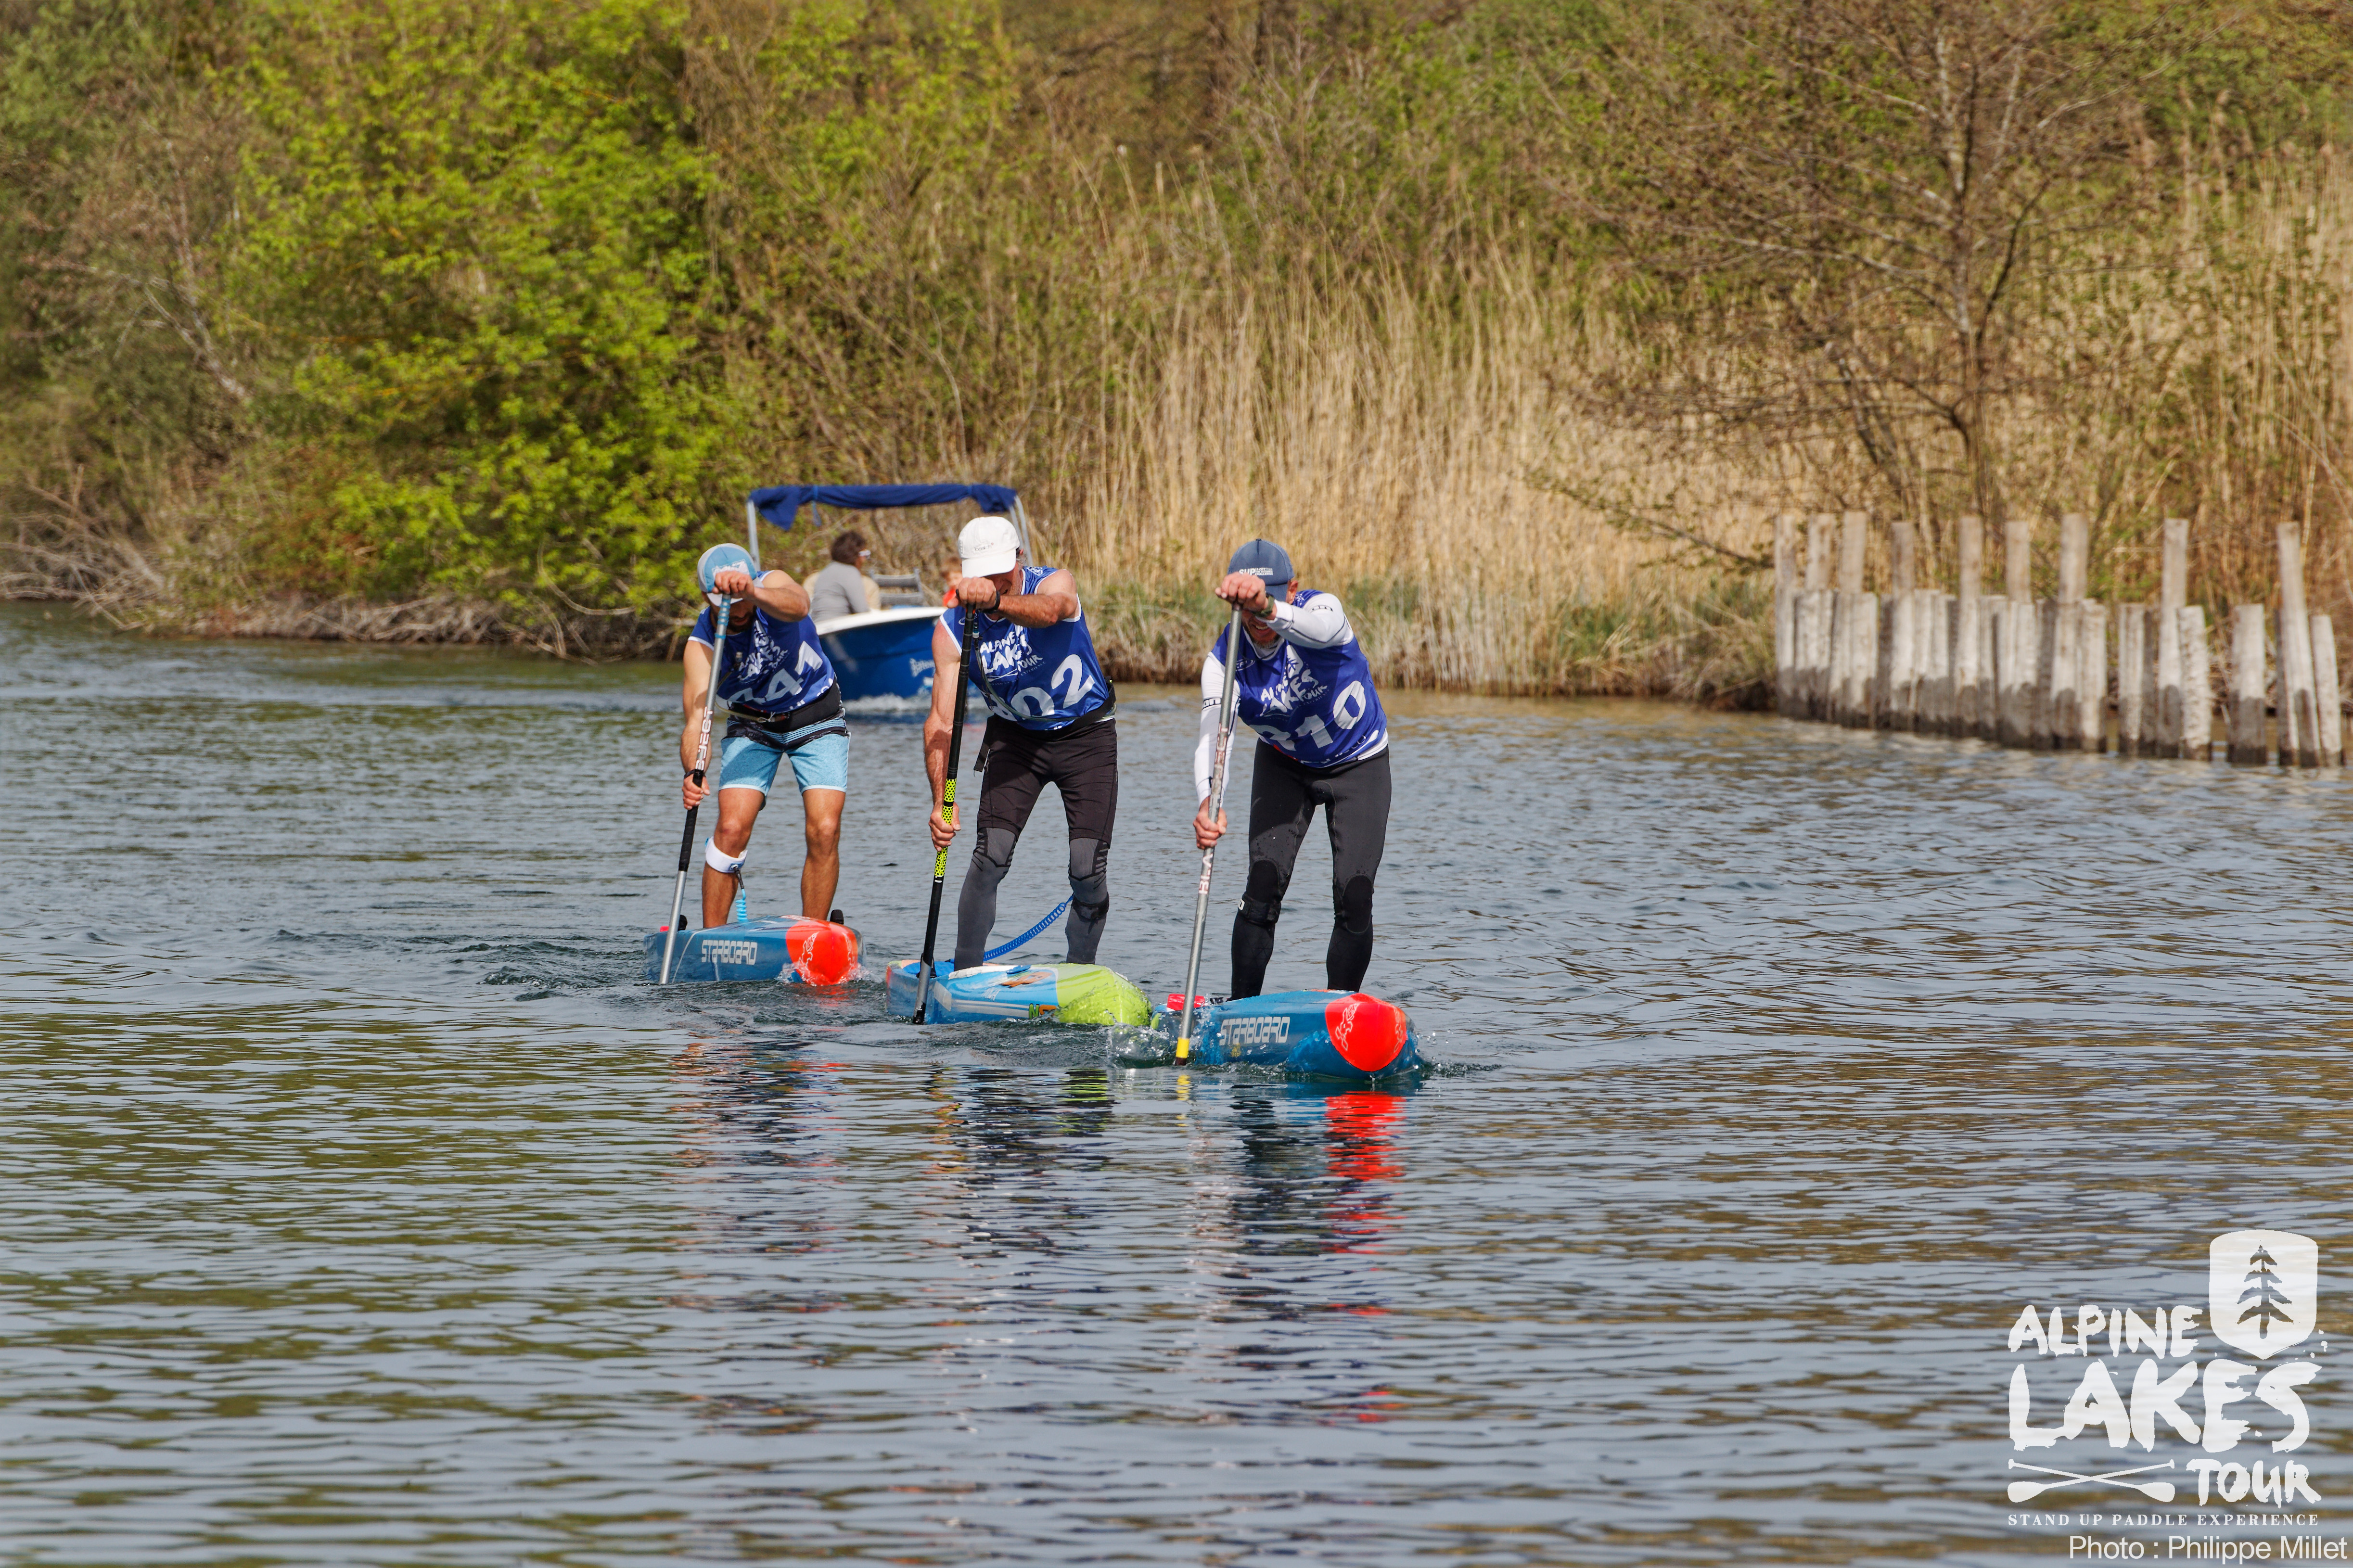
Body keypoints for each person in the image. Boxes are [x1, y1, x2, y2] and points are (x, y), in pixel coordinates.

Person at [1191, 538, 1391, 998]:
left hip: (1358, 763)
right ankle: (1241, 1011)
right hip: (1284, 766)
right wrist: (1208, 798)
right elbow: (1212, 736)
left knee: (1355, 895)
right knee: (1261, 888)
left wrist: (1268, 606)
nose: (1257, 622)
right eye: (1247, 608)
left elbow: (1318, 630)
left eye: (1267, 601)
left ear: (1292, 589)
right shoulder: (1224, 660)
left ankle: (1338, 1007)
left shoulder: (1323, 611)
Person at [925, 515, 1117, 969]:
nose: (995, 582)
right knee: (989, 857)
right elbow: (941, 723)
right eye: (984, 574)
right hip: (1015, 743)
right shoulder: (952, 629)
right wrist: (941, 803)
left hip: (1087, 737)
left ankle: (1080, 977)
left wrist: (995, 599)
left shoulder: (1055, 583)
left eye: (1002, 571)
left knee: (1086, 870)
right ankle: (964, 976)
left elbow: (1052, 611)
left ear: (1020, 558)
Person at [679, 543, 850, 928]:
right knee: (731, 828)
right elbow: (697, 721)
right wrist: (694, 771)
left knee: (824, 828)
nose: (737, 609)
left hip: (815, 713)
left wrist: (752, 590)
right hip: (752, 724)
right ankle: (712, 939)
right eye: (726, 600)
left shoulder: (771, 586)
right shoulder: (702, 644)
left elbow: (799, 604)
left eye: (741, 599)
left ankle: (813, 935)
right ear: (706, 596)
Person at [804, 530, 880, 621]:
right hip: (839, 628)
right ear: (855, 555)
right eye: (864, 555)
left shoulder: (826, 572)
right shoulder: (851, 572)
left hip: (819, 627)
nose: (864, 560)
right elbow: (862, 611)